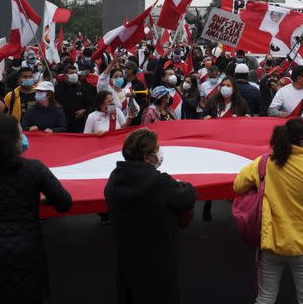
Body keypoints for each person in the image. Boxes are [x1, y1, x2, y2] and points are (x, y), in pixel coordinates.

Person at [0, 113, 72, 304]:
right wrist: (40, 202)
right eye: (20, 134)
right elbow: (64, 202)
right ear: (14, 141)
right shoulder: (35, 169)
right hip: (26, 254)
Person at [233, 118, 303, 304]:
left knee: (265, 298)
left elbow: (238, 186)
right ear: (302, 142)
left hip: (271, 241)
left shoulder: (264, 163)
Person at [104, 128, 197, 304]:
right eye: (158, 148)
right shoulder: (158, 182)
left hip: (127, 261)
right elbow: (188, 197)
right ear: (147, 156)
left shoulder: (114, 180)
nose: (160, 152)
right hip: (157, 264)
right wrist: (180, 184)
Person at [55, 63, 94, 133]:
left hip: (79, 124)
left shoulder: (82, 88)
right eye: (71, 73)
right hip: (63, 124)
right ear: (64, 75)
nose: (74, 75)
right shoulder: (57, 88)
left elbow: (90, 104)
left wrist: (85, 110)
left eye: (75, 73)